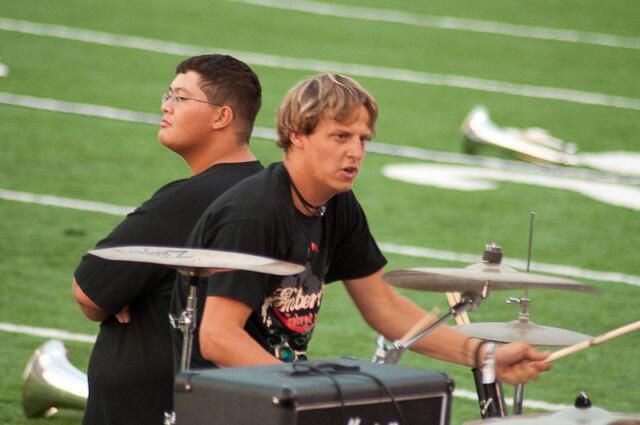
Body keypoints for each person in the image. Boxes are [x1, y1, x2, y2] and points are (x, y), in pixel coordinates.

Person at [172, 73, 551, 385]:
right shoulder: (253, 215)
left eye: (363, 139)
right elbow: (219, 338)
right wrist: (303, 392)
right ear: (298, 135)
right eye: (341, 136)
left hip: (273, 390)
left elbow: (384, 307)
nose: (355, 151)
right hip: (215, 399)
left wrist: (485, 355)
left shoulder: (336, 203)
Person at [71, 54, 263, 425]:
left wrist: (128, 293)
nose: (166, 106)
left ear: (221, 117)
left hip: (153, 405)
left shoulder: (187, 201)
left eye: (180, 97)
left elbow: (89, 294)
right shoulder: (262, 190)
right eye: (168, 95)